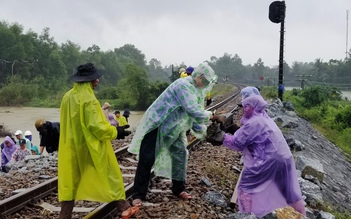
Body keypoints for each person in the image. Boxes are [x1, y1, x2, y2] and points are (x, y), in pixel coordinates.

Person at [128, 63, 218, 207]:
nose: (206, 85)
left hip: (174, 127)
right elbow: (192, 110)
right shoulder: (183, 85)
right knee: (147, 158)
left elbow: (192, 117)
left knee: (180, 154)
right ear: (198, 76)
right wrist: (212, 116)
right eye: (205, 81)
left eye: (208, 83)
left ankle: (178, 188)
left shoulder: (197, 91)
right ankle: (138, 195)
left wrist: (203, 131)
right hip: (158, 124)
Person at [58, 63, 138, 219]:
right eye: (96, 79)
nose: (98, 81)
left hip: (70, 147)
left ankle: (64, 216)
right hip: (89, 146)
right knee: (109, 172)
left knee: (70, 181)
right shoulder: (89, 99)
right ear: (89, 80)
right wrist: (116, 131)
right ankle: (124, 207)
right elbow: (98, 127)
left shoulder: (67, 96)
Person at [209, 95, 306, 217]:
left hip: (268, 160)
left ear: (252, 107)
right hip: (284, 158)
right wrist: (231, 127)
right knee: (288, 190)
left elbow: (237, 143)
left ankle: (247, 215)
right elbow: (249, 137)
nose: (244, 109)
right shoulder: (264, 118)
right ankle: (302, 214)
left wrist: (220, 135)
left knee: (246, 186)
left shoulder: (254, 123)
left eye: (246, 107)